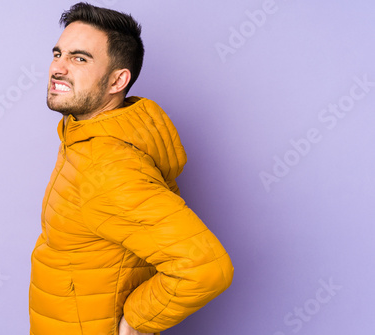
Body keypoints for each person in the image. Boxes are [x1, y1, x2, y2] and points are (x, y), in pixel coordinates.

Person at [29, 3, 234, 334]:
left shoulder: (107, 165)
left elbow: (205, 267)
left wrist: (136, 322)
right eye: (58, 54)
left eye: (79, 58)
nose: (58, 68)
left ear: (117, 80)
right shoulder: (89, 132)